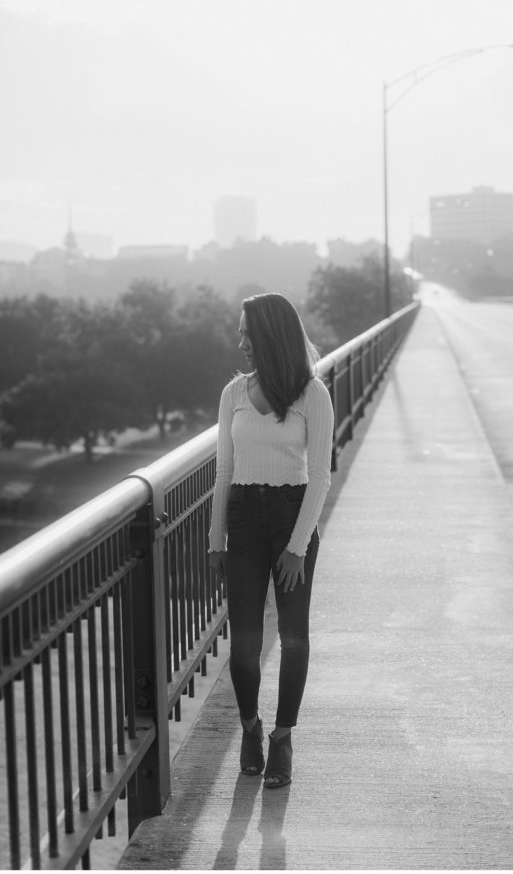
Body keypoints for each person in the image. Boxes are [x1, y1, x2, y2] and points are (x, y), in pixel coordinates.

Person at [208, 292, 334, 789]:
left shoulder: (312, 394)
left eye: (246, 332)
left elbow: (320, 475)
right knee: (243, 643)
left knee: (294, 636)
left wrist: (297, 548)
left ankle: (282, 737)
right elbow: (223, 469)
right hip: (241, 518)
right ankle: (250, 728)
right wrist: (216, 538)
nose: (240, 341)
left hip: (291, 518)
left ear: (269, 335)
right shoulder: (233, 394)